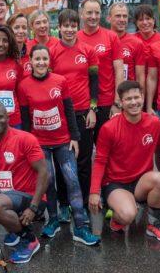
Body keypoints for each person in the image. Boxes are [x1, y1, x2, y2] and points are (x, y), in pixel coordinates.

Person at [17, 45, 99, 245]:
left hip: (63, 141)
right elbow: (26, 118)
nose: (41, 62)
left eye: (44, 59)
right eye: (37, 59)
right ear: (31, 61)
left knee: (72, 180)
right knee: (48, 181)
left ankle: (80, 226)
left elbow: (69, 110)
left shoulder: (60, 81)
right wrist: (28, 143)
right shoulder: (24, 85)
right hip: (40, 143)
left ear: (49, 61)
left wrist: (75, 137)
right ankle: (53, 220)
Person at [89, 80, 160, 241]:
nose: (134, 102)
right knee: (127, 215)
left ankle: (153, 224)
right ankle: (116, 216)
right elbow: (99, 161)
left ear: (142, 97)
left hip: (141, 181)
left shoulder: (154, 123)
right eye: (128, 99)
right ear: (121, 102)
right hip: (116, 183)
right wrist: (94, 192)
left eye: (136, 97)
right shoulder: (109, 128)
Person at [0, 102, 48, 264]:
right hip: (8, 196)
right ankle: (15, 230)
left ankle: (29, 240)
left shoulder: (25, 139)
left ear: (8, 118)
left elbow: (44, 173)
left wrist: (33, 207)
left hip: (31, 198)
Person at [50, 9, 98, 214]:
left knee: (84, 160)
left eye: (73, 25)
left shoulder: (88, 50)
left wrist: (93, 109)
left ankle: (84, 203)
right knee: (61, 161)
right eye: (65, 26)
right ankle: (64, 204)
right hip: (60, 115)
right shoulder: (52, 52)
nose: (69, 29)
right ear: (59, 28)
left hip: (83, 112)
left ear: (77, 27)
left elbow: (94, 81)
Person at [77, 0, 124, 139]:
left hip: (107, 102)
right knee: (84, 149)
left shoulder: (111, 37)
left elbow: (119, 71)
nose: (93, 16)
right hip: (83, 103)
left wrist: (117, 102)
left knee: (109, 146)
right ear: (81, 14)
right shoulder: (75, 38)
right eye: (89, 12)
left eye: (97, 13)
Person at [107, 3, 145, 90]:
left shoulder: (137, 43)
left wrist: (141, 95)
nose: (122, 19)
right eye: (118, 16)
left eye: (125, 16)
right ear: (109, 18)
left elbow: (140, 76)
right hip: (105, 94)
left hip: (128, 94)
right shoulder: (102, 40)